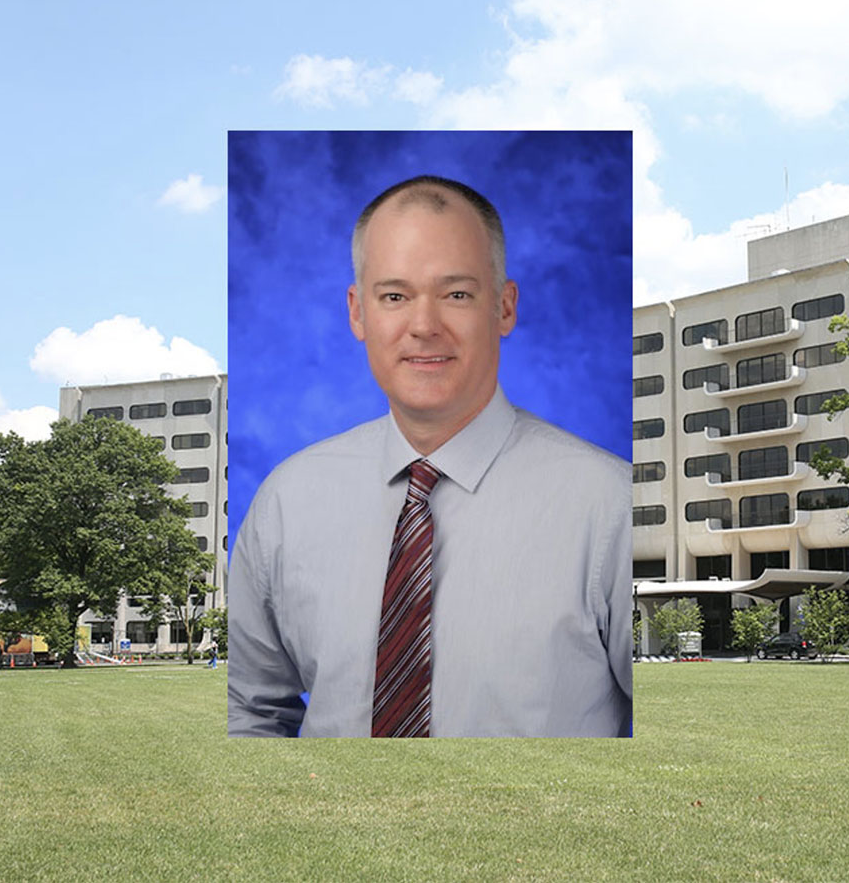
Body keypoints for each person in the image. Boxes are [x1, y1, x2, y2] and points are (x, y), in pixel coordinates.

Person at [228, 175, 631, 737]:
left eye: (456, 294)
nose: (423, 326)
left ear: (505, 307)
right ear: (357, 312)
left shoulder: (610, 508)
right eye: (394, 296)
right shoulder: (286, 504)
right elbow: (249, 714)